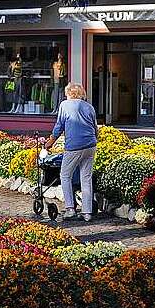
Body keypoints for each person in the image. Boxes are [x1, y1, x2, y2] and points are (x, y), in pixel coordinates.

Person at [45, 82, 98, 222]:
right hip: (90, 145)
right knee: (86, 178)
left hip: (74, 146)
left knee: (65, 175)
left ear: (69, 93)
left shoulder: (65, 105)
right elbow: (95, 127)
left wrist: (50, 142)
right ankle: (87, 212)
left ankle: (70, 209)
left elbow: (59, 126)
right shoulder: (89, 107)